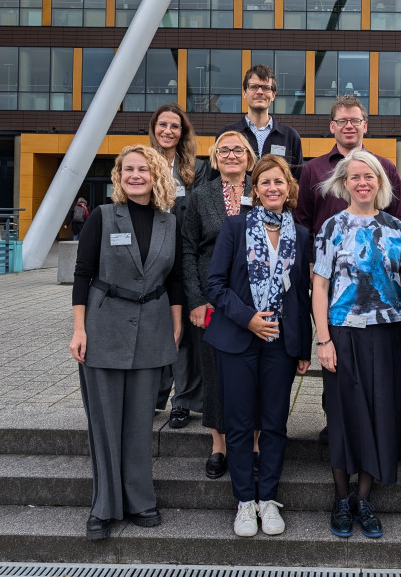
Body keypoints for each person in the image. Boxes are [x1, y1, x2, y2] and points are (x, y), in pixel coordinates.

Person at [70, 144, 183, 541]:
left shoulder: (169, 222)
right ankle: (104, 506)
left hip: (152, 327)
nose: (136, 175)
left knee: (139, 423)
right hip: (104, 327)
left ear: (156, 175)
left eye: (143, 169)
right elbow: (82, 273)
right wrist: (78, 329)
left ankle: (139, 500)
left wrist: (175, 324)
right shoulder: (102, 216)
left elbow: (174, 280)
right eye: (128, 169)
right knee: (104, 423)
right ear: (119, 176)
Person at [205, 154, 312, 538]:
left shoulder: (300, 235)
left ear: (289, 189)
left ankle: (268, 498)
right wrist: (247, 317)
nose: (272, 188)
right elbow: (214, 285)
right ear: (255, 189)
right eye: (265, 182)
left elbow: (301, 294)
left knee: (274, 423)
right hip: (238, 338)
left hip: (280, 342)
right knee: (237, 423)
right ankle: (245, 502)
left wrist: (303, 349)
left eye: (279, 182)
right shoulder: (235, 228)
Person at [313, 150, 401, 540]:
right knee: (342, 414)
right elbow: (319, 286)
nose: (363, 183)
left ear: (380, 182)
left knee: (379, 412)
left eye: (369, 176)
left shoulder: (395, 227)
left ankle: (364, 498)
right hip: (342, 332)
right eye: (355, 177)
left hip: (386, 332)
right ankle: (341, 499)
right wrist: (323, 339)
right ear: (344, 183)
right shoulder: (331, 226)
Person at [182, 130, 256, 481]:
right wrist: (196, 301)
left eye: (237, 150)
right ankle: (219, 445)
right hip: (211, 302)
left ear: (249, 156)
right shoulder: (200, 197)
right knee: (214, 374)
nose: (231, 155)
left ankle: (254, 443)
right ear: (214, 157)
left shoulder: (263, 190)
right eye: (223, 150)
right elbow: (187, 251)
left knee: (253, 374)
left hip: (256, 300)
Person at [148, 104, 206, 427]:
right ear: (154, 127)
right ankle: (153, 397)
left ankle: (182, 401)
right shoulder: (142, 162)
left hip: (182, 257)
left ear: (182, 132)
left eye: (175, 126)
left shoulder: (195, 169)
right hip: (150, 257)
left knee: (181, 331)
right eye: (163, 125)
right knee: (153, 330)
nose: (168, 131)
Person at [295, 95, 401, 248]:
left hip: (376, 262)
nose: (349, 126)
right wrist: (310, 263)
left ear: (365, 126)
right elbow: (302, 222)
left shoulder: (386, 168)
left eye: (355, 121)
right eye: (342, 121)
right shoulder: (312, 169)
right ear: (332, 127)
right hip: (326, 264)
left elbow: (398, 218)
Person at [217, 64, 304, 180]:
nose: (259, 92)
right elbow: (216, 180)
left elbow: (297, 182)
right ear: (244, 93)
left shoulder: (290, 136)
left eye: (266, 88)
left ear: (273, 95)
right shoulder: (226, 134)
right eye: (253, 87)